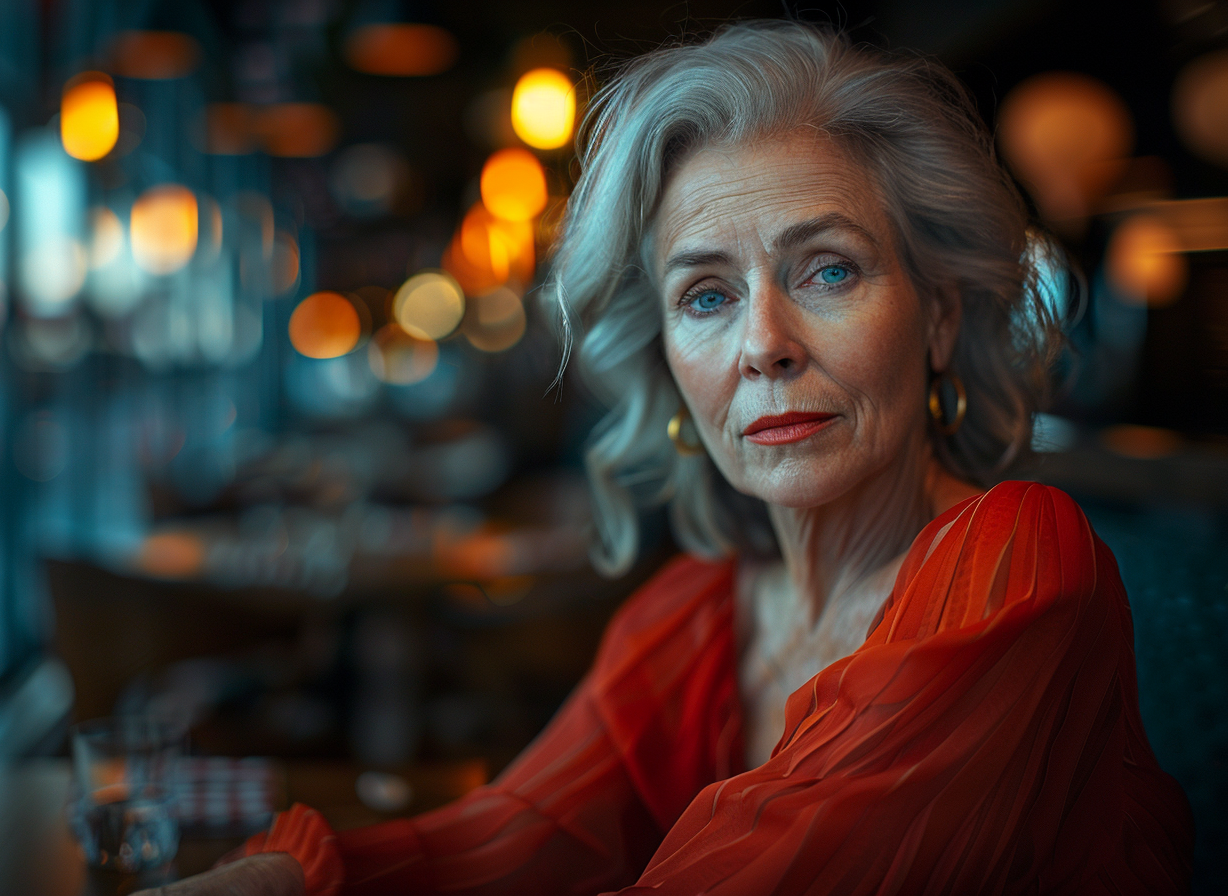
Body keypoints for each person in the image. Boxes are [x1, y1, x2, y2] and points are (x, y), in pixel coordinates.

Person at [138, 20, 1194, 896]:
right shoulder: (689, 619)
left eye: (827, 269)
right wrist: (278, 880)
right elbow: (505, 838)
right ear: (669, 359)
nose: (763, 343)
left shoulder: (1015, 564)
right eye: (706, 294)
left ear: (939, 316)